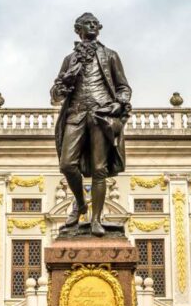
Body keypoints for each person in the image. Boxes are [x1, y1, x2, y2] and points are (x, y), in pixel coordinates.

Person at [51, 12, 132, 237]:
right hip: (75, 114)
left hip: (101, 115)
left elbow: (123, 87)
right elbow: (56, 95)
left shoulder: (110, 55)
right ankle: (80, 204)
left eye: (96, 23)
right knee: (67, 164)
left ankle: (96, 219)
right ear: (79, 29)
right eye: (88, 23)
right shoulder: (69, 60)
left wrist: (119, 103)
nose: (93, 26)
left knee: (99, 169)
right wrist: (62, 85)